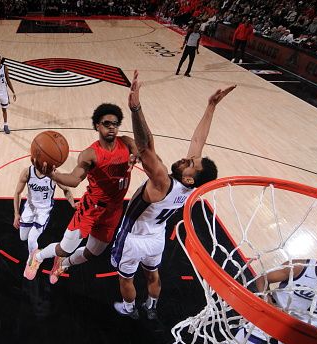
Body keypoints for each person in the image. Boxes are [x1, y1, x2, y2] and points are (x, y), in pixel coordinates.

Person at [112, 70, 234, 320]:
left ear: (189, 176)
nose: (187, 157)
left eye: (190, 162)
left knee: (126, 278)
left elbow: (146, 146)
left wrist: (135, 109)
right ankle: (152, 306)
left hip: (134, 238)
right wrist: (211, 106)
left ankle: (129, 308)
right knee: (153, 274)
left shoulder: (162, 183)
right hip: (157, 237)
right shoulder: (190, 186)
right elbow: (199, 140)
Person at [24, 104, 138, 283]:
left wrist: (137, 156)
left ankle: (62, 264)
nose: (111, 127)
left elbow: (141, 149)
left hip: (113, 211)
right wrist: (53, 175)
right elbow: (75, 179)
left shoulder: (127, 143)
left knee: (92, 253)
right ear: (97, 126)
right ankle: (37, 257)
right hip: (90, 209)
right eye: (106, 123)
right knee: (64, 248)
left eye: (115, 124)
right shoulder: (90, 154)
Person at [13, 164, 75, 279]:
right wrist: (16, 214)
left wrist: (72, 203)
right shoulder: (28, 172)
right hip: (29, 208)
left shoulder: (54, 174)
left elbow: (66, 189)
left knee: (32, 238)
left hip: (44, 211)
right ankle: (37, 251)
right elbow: (17, 193)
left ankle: (32, 262)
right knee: (23, 237)